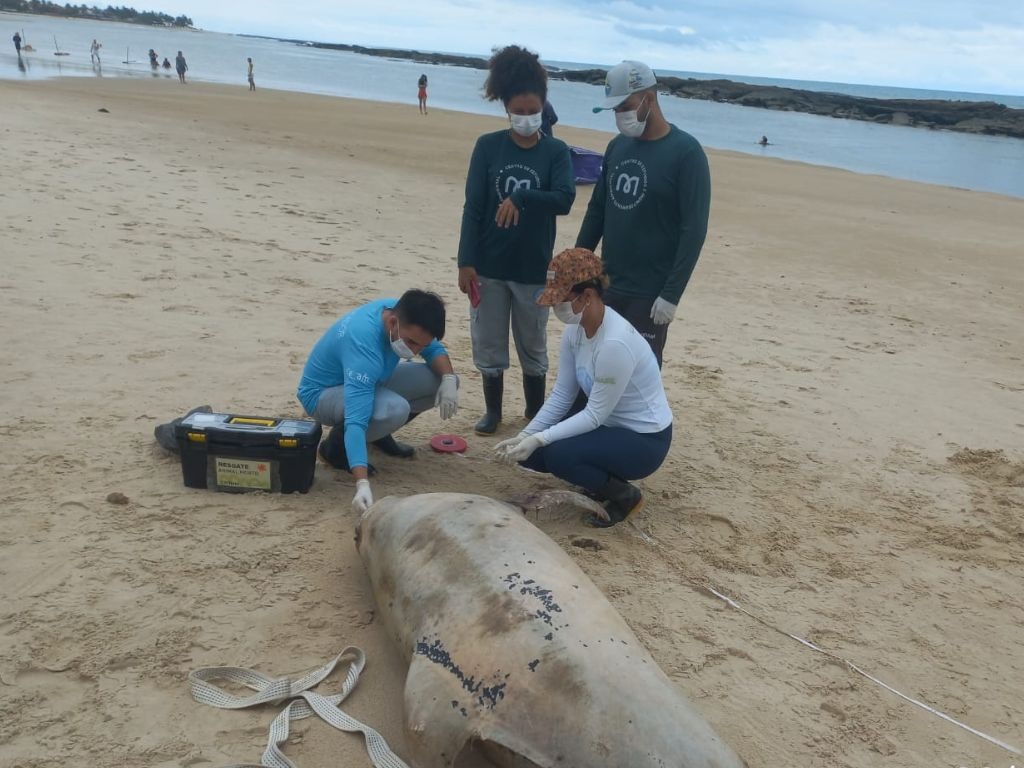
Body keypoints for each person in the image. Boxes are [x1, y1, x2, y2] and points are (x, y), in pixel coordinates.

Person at [494, 248, 673, 527]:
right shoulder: (575, 331)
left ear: (587, 296)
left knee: (557, 454)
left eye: (561, 300)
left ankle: (624, 495)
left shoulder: (615, 344)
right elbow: (563, 394)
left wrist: (541, 438)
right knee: (531, 455)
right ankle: (598, 476)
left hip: (645, 439)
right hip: (610, 426)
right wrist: (526, 435)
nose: (557, 309)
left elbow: (594, 415)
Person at [456, 44, 576, 435]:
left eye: (533, 111)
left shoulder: (556, 151)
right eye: (519, 112)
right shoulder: (488, 146)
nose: (526, 118)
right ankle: (493, 411)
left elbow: (564, 199)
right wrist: (465, 261)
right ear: (506, 108)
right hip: (489, 265)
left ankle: (534, 411)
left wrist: (522, 197)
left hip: (531, 267)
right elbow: (474, 207)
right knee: (489, 342)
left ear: (543, 107)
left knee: (533, 344)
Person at [576, 60, 711, 368]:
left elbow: (694, 230)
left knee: (638, 374)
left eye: (626, 105)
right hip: (607, 284)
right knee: (598, 365)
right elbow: (597, 210)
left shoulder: (686, 154)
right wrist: (578, 265)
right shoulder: (616, 147)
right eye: (615, 109)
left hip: (650, 295)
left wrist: (671, 294)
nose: (620, 115)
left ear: (649, 99)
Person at [296, 290, 460, 514]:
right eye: (411, 343)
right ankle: (334, 449)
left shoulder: (401, 312)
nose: (414, 351)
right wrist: (362, 484)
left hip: (372, 379)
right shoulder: (364, 346)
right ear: (393, 322)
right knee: (394, 409)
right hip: (323, 393)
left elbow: (434, 350)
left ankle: (380, 434)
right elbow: (356, 420)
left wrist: (449, 379)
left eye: (420, 346)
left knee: (440, 380)